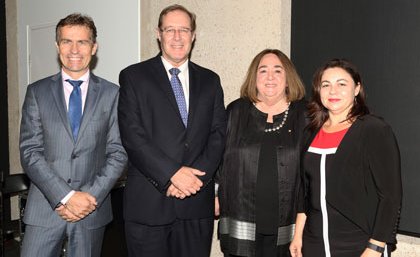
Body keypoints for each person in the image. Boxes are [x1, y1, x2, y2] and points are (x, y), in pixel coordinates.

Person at [118, 4, 227, 257]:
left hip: (195, 205)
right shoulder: (134, 77)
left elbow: (218, 135)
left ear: (194, 35)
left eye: (184, 30)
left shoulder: (211, 81)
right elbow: (133, 136)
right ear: (159, 33)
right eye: (170, 30)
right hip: (148, 205)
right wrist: (171, 175)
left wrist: (194, 180)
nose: (177, 37)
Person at [19, 13, 127, 257]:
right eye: (67, 41)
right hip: (45, 209)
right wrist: (65, 197)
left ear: (94, 47)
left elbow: (118, 153)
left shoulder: (112, 94)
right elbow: (30, 151)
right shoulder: (37, 92)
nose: (74, 49)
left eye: (83, 42)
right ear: (58, 46)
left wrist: (87, 199)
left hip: (91, 211)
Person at [289, 59, 402, 257]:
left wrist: (375, 247)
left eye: (342, 84)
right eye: (326, 85)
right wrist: (298, 235)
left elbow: (390, 197)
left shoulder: (374, 130)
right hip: (314, 243)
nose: (333, 91)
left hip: (359, 244)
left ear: (357, 88)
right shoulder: (310, 133)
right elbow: (304, 191)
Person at [216, 49, 307, 257]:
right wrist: (214, 194)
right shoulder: (236, 112)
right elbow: (217, 160)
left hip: (288, 225)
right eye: (263, 71)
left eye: (278, 70)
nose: (270, 77)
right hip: (241, 219)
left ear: (287, 78)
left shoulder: (305, 115)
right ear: (254, 78)